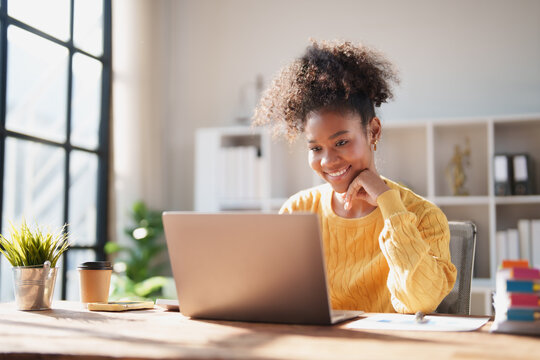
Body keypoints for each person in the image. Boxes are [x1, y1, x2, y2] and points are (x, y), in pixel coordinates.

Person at [252, 40, 457, 313]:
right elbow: (275, 299)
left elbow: (421, 303)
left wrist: (388, 202)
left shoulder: (424, 216)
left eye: (341, 142)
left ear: (373, 131)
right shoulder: (297, 211)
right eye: (315, 148)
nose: (327, 161)